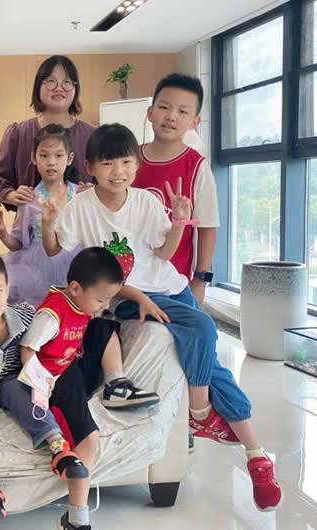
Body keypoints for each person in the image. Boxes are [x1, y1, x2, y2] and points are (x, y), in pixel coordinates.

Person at [42, 123, 283, 513]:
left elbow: (165, 253)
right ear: (89, 166)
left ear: (136, 166)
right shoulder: (81, 207)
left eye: (126, 163)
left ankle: (256, 457)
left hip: (171, 289)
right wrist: (47, 223)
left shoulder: (146, 202)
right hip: (126, 297)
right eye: (108, 163)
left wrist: (180, 222)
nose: (118, 171)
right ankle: (203, 415)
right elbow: (56, 250)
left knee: (210, 361)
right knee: (203, 327)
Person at [19, 248, 159, 530]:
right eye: (100, 299)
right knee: (89, 440)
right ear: (75, 288)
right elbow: (27, 349)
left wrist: (139, 298)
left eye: (107, 299)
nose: (104, 305)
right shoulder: (51, 315)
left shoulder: (82, 302)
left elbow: (95, 313)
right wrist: (41, 383)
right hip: (56, 379)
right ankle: (76, 518)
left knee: (103, 327)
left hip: (72, 362)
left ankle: (116, 384)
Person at [0, 251, 88, 527]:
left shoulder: (25, 316)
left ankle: (58, 447)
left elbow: (45, 346)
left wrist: (46, 375)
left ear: (7, 288)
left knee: (20, 391)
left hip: (11, 381)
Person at [134, 73, 218, 304]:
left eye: (183, 112)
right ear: (150, 113)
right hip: (127, 282)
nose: (171, 116)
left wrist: (200, 280)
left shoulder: (198, 167)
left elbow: (207, 227)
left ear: (194, 122)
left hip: (174, 285)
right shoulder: (128, 160)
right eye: (164, 107)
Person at [0, 55, 95, 209]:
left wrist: (99, 192)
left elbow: (116, 179)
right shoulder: (18, 133)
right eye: (51, 81)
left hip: (84, 222)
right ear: (38, 86)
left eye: (67, 82)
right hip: (31, 223)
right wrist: (10, 195)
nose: (59, 88)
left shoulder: (94, 135)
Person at [0, 124, 80, 306]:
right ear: (34, 158)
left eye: (58, 155)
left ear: (69, 158)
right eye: (44, 155)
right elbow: (18, 244)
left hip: (75, 265)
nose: (51, 162)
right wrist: (2, 233)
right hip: (37, 271)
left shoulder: (81, 195)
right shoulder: (29, 199)